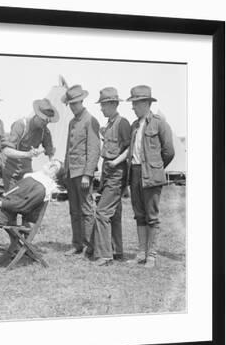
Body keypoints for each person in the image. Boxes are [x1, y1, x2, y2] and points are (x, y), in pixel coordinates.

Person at [126, 85, 174, 268]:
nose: (133, 107)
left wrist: (156, 168)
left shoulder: (159, 123)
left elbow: (169, 151)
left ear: (146, 103)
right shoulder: (134, 125)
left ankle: (151, 256)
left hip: (151, 174)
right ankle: (141, 253)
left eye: (136, 104)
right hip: (135, 173)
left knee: (152, 216)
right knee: (139, 215)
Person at [90, 87, 131, 266]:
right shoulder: (109, 125)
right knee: (114, 214)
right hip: (108, 172)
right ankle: (116, 250)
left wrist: (116, 162)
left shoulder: (122, 123)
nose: (101, 109)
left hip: (116, 172)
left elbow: (130, 148)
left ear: (114, 104)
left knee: (102, 212)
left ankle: (105, 256)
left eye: (104, 105)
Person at [61, 85, 101, 257]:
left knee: (86, 210)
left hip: (82, 174)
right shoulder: (72, 122)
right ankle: (77, 244)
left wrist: (87, 174)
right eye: (70, 104)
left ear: (82, 101)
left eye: (75, 103)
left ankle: (89, 246)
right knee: (74, 210)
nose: (73, 107)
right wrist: (65, 171)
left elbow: (94, 149)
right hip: (71, 173)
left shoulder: (90, 120)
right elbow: (69, 150)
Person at [1, 98, 59, 190]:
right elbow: (6, 151)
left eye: (48, 121)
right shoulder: (21, 125)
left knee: (25, 199)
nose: (45, 123)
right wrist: (28, 154)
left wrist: (53, 165)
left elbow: (50, 151)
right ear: (37, 115)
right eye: (43, 120)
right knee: (11, 198)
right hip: (11, 169)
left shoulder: (45, 132)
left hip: (26, 171)